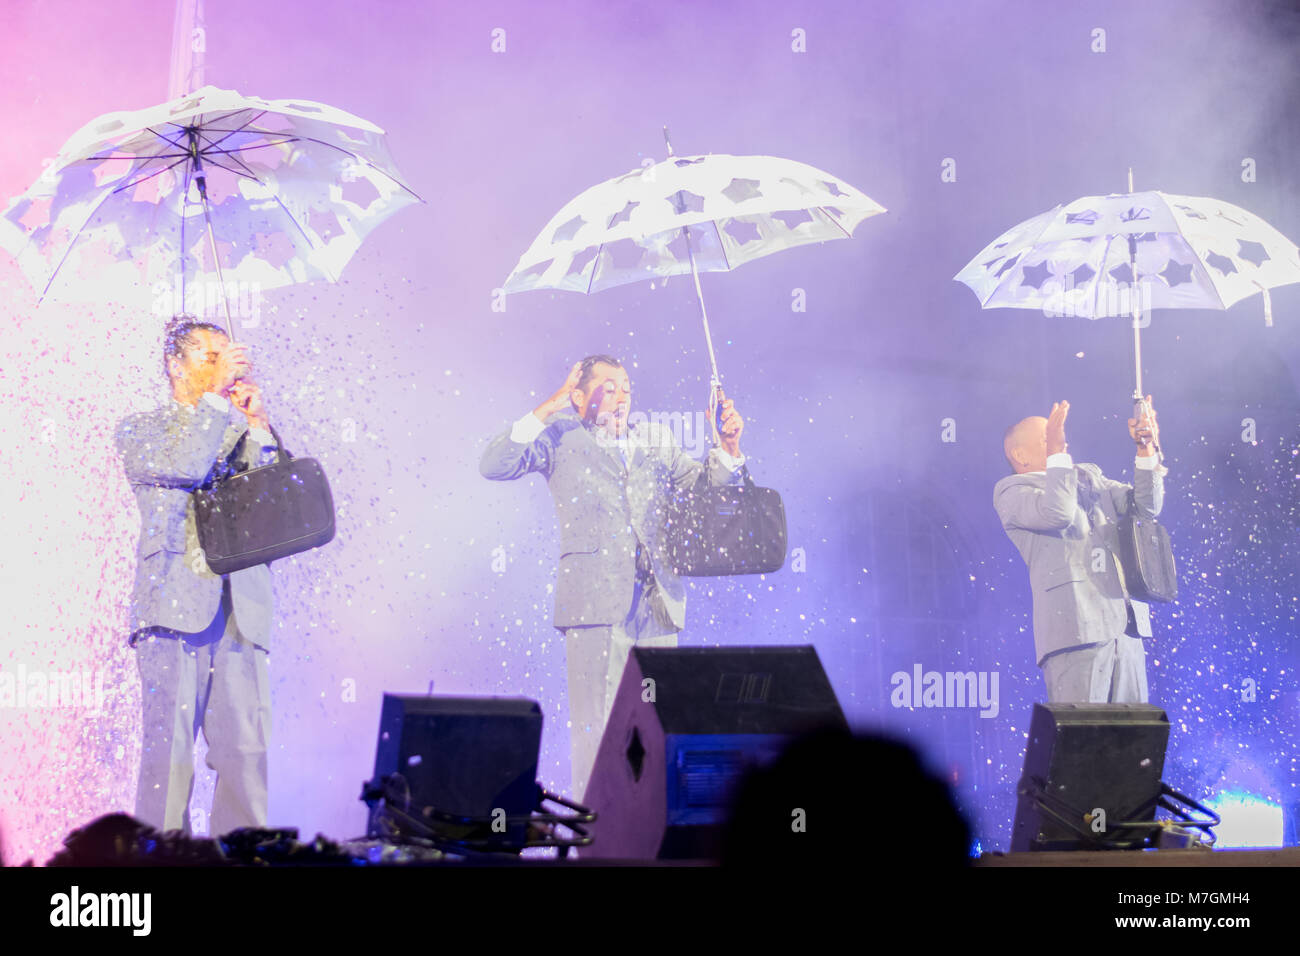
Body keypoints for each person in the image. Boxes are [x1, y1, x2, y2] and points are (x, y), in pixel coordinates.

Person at [480, 355, 748, 800]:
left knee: (660, 728)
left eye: (626, 385)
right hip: (594, 607)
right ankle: (597, 840)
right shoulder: (561, 438)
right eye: (608, 386)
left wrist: (728, 446)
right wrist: (551, 406)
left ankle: (652, 834)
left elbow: (706, 490)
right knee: (600, 732)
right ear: (579, 396)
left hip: (659, 606)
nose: (621, 394)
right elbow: (494, 463)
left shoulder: (656, 440)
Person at [115, 316, 280, 835]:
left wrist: (258, 426)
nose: (222, 369)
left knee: (245, 757)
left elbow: (275, 502)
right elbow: (187, 464)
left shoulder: (233, 430)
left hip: (240, 611)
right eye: (210, 358)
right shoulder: (141, 429)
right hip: (172, 610)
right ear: (174, 364)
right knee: (170, 759)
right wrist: (215, 399)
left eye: (226, 358)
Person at [993, 398, 1164, 703]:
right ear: (1019, 455)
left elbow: (1146, 507)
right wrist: (1056, 454)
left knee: (1133, 740)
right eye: (1049, 437)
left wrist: (1146, 448)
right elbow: (1057, 512)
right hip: (1075, 632)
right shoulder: (1012, 491)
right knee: (1084, 741)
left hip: (1125, 631)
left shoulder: (1088, 475)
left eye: (1060, 434)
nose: (1062, 440)